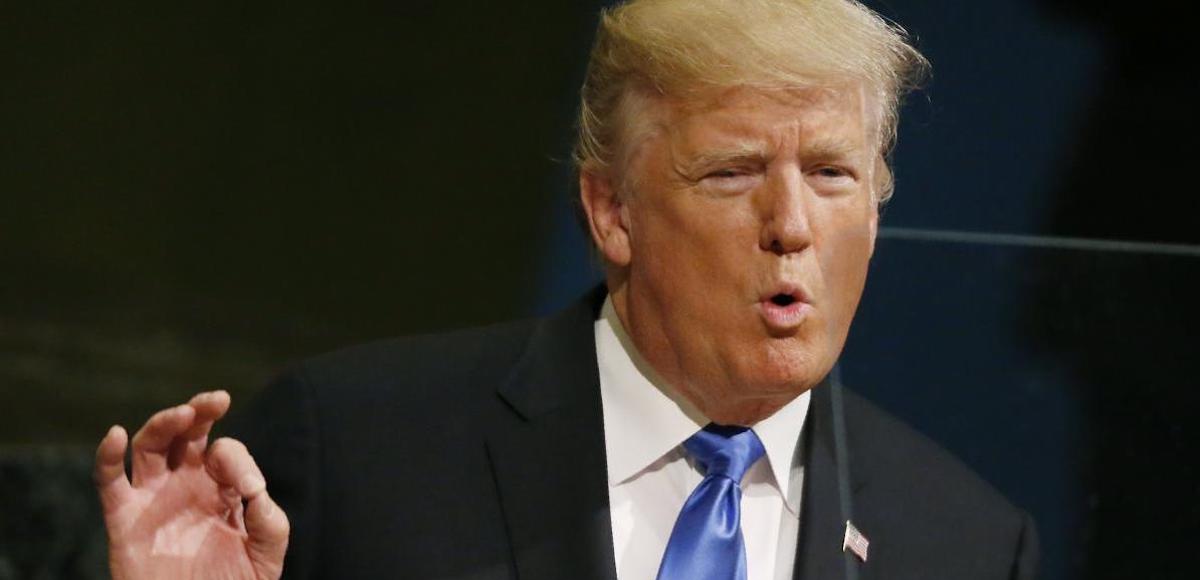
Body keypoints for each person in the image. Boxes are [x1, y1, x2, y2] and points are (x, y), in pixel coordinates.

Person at [93, 0, 1039, 578]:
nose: (791, 224)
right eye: (731, 173)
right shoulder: (351, 454)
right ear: (611, 211)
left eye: (833, 174)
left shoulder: (963, 545)